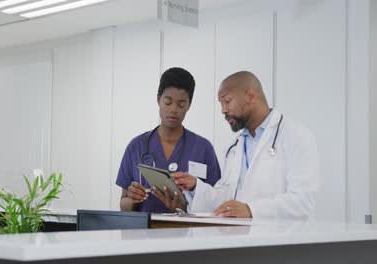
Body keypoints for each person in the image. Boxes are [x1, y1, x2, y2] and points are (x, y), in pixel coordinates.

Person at [173, 71, 320, 219]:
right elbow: (225, 201)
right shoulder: (234, 147)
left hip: (281, 239)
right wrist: (195, 186)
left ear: (250, 96)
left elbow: (303, 201)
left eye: (227, 101)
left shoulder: (296, 135)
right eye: (221, 104)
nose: (223, 110)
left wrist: (251, 210)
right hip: (240, 239)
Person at [116, 67, 221, 213]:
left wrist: (182, 208)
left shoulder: (203, 148)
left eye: (181, 104)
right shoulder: (136, 146)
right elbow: (123, 204)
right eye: (168, 102)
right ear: (158, 99)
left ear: (189, 105)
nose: (173, 109)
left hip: (189, 233)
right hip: (143, 233)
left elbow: (215, 202)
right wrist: (133, 199)